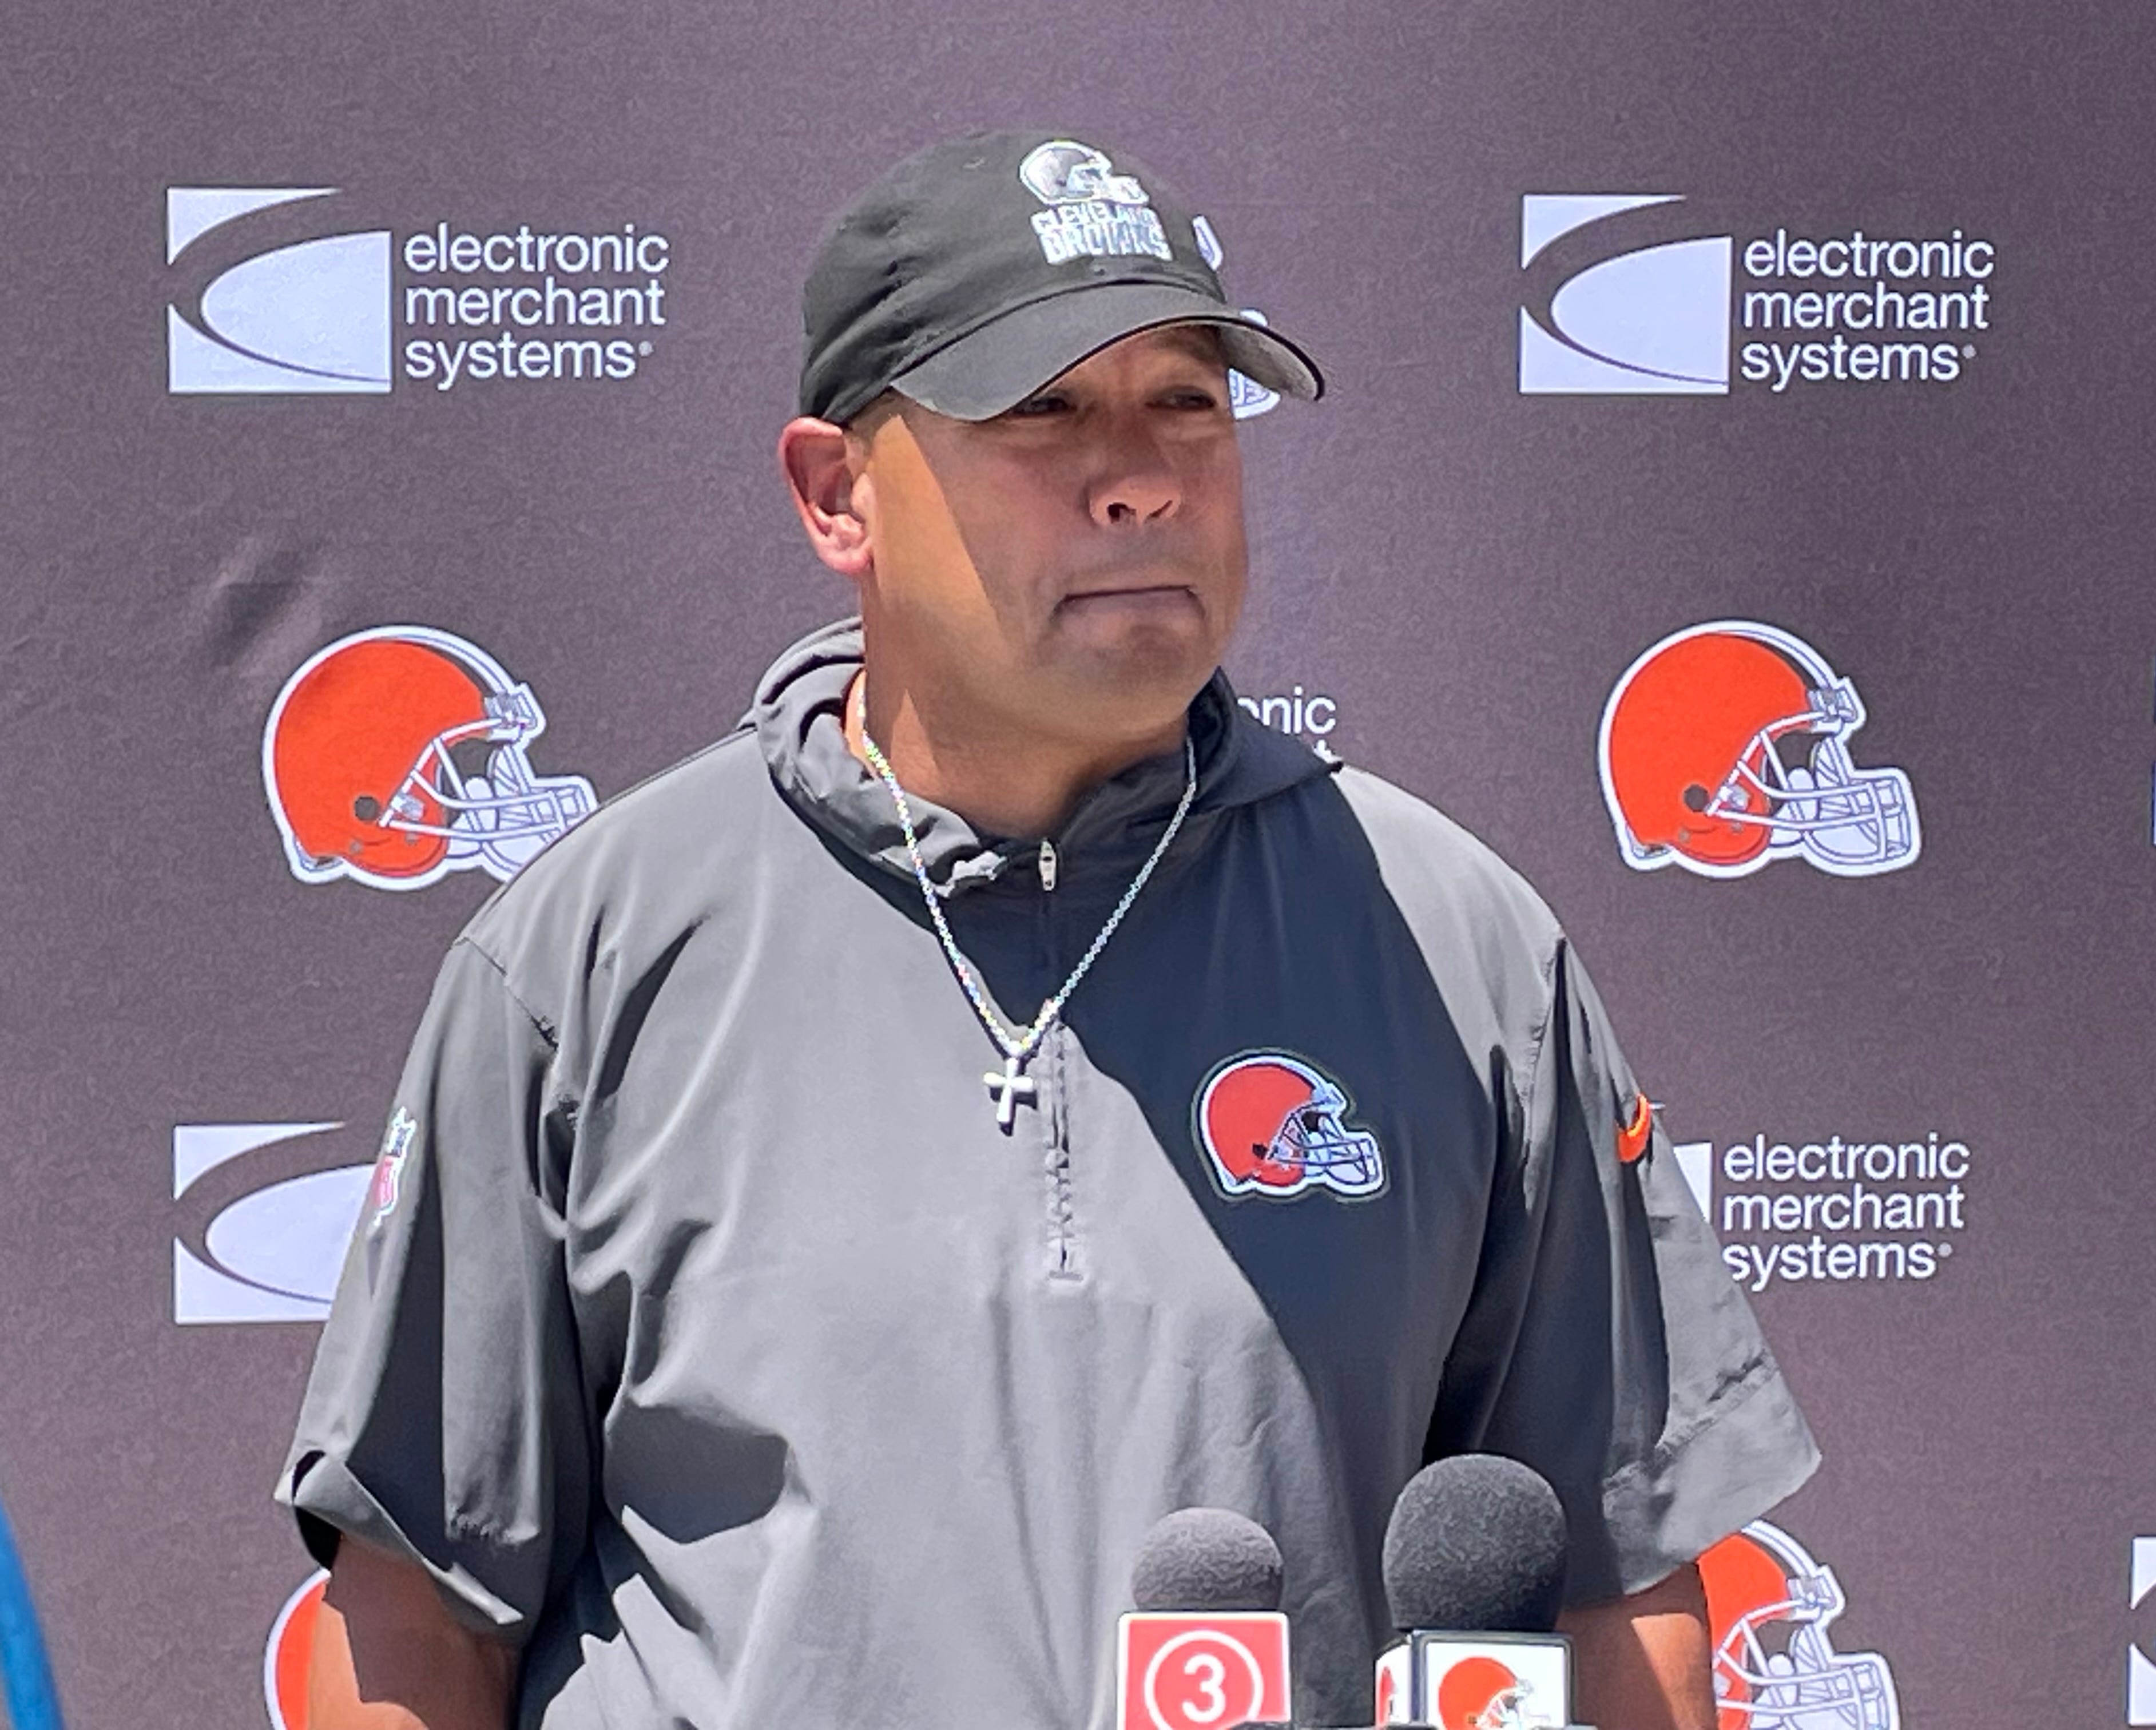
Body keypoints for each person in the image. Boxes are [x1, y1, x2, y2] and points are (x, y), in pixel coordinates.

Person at [280, 128, 1818, 1730]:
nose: (1142, 476)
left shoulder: (1463, 950)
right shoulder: (585, 963)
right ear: (837, 493)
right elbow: (416, 1616)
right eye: (1042, 409)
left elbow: (1617, 1585)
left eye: (1189, 403)